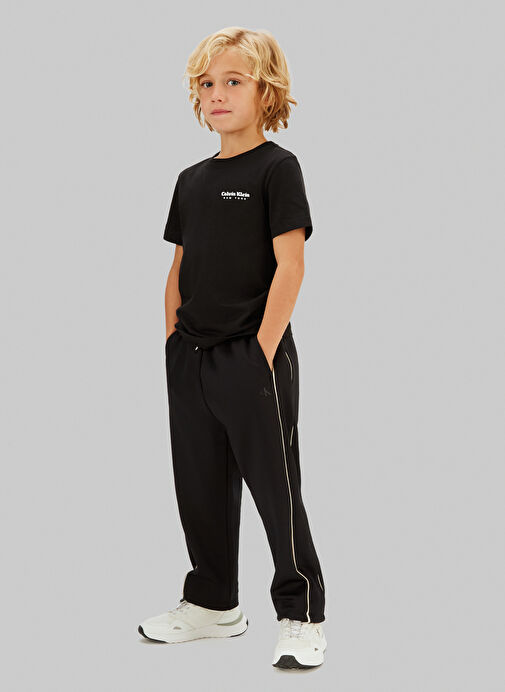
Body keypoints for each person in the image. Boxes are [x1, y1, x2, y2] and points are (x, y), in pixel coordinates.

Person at [138, 26, 327, 669]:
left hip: (252, 356)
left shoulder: (278, 168)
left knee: (276, 488)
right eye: (207, 83)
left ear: (266, 91)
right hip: (190, 357)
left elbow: (291, 265)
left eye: (233, 81)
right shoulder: (190, 180)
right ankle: (213, 604)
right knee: (198, 485)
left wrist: (261, 351)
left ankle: (301, 615)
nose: (216, 94)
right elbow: (178, 267)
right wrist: (173, 342)